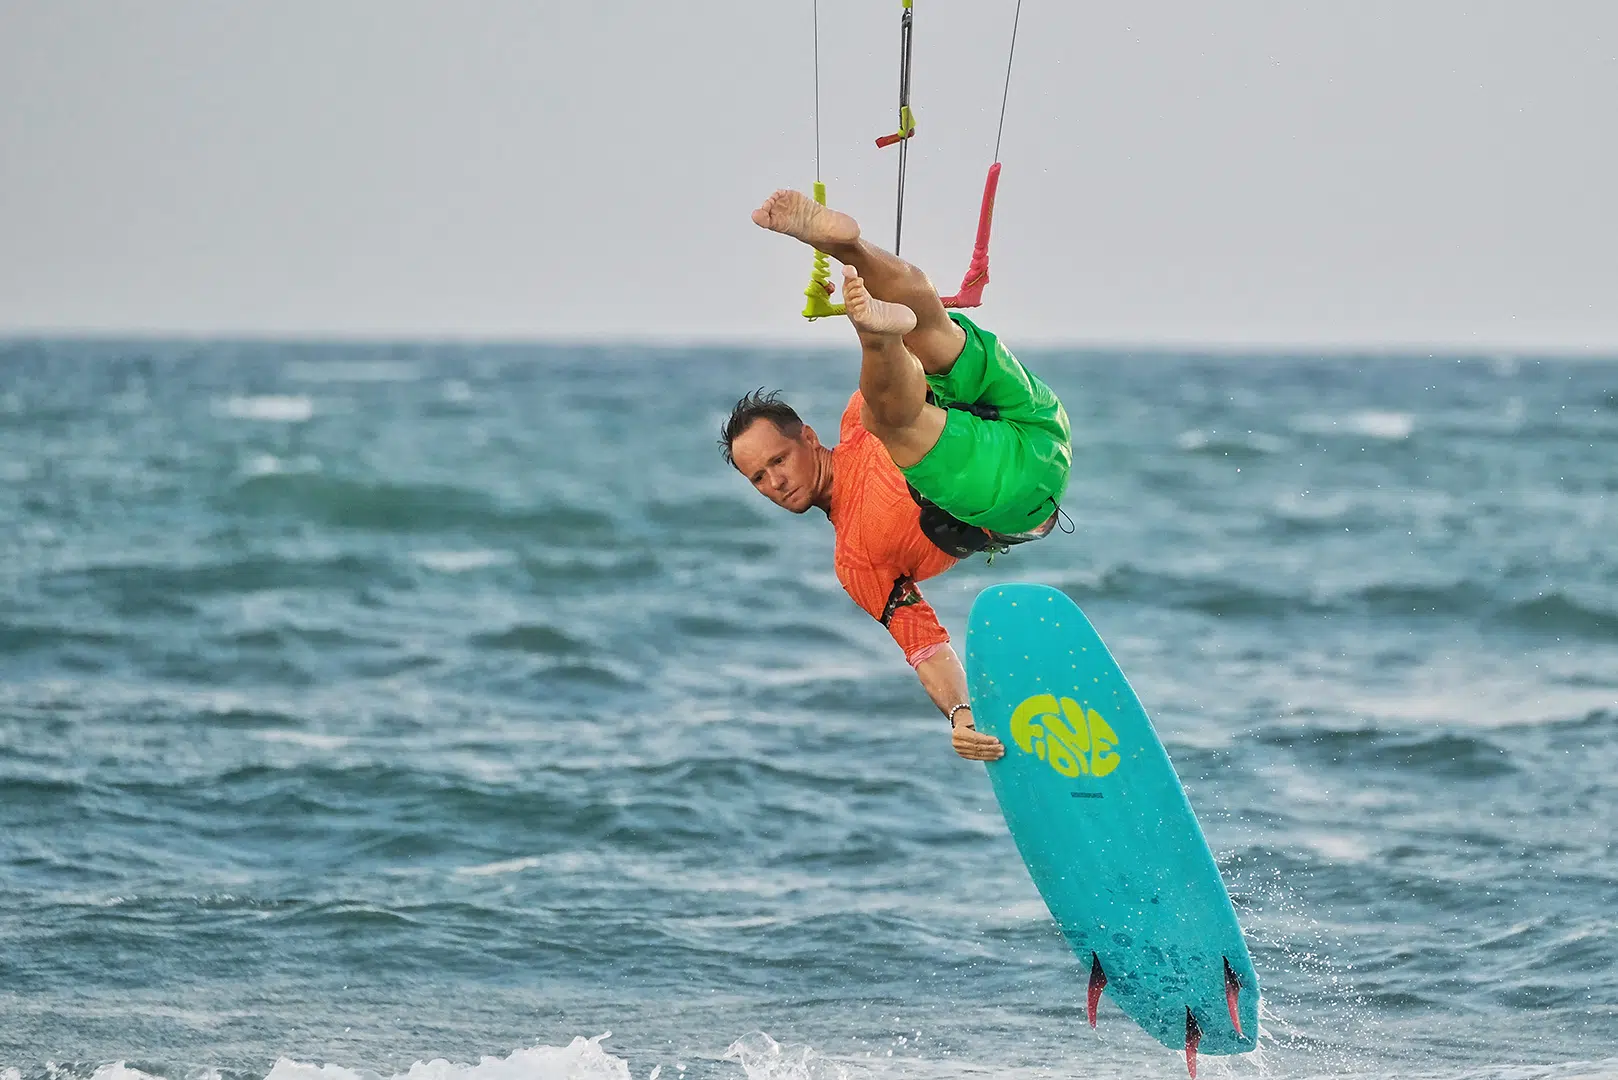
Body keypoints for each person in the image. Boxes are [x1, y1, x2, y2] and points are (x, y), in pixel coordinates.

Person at [720, 189, 1072, 762]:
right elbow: (925, 644)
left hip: (1033, 423)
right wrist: (961, 713)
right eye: (759, 479)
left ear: (808, 438)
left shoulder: (858, 420)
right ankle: (876, 325)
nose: (775, 483)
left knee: (930, 332)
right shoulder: (857, 562)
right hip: (1010, 492)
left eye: (777, 461)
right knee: (897, 401)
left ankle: (848, 250)